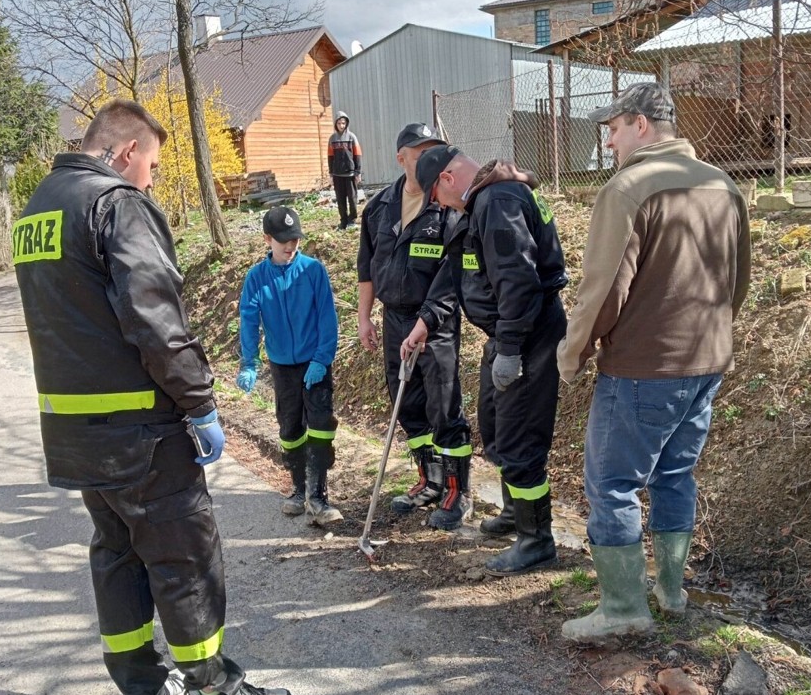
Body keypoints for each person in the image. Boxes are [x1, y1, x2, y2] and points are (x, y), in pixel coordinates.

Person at [13, 99, 293, 695]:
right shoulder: (115, 205)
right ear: (125, 151)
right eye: (154, 164)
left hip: (75, 431)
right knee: (183, 554)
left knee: (116, 555)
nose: (153, 178)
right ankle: (213, 693)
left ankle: (141, 692)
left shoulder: (36, 211)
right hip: (140, 428)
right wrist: (199, 403)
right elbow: (156, 322)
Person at [556, 82, 751, 644]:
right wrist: (713, 336)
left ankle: (621, 608)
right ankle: (671, 590)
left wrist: (573, 354)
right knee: (674, 474)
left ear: (640, 124)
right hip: (707, 360)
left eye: (612, 129)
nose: (609, 142)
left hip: (643, 366)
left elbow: (603, 289)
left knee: (612, 483)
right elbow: (738, 281)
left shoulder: (630, 188)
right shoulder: (723, 184)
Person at [412, 146, 568, 575]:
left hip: (527, 336)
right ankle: (515, 513)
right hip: (506, 335)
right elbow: (464, 272)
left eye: (435, 197)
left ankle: (537, 540)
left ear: (446, 179)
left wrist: (512, 349)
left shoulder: (497, 202)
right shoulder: (486, 200)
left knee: (520, 438)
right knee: (497, 425)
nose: (438, 206)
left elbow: (518, 279)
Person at [357, 123, 472, 529]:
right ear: (400, 157)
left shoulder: (447, 206)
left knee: (444, 405)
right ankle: (430, 480)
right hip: (394, 318)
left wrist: (427, 320)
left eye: (433, 152)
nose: (426, 158)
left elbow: (454, 272)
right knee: (407, 404)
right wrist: (364, 317)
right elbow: (366, 267)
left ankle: (458, 490)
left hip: (435, 320)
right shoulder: (379, 207)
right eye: (419, 152)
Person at [236, 205, 342, 526]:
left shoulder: (313, 271)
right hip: (282, 367)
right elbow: (249, 320)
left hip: (315, 365)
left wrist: (322, 359)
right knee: (290, 429)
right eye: (283, 239)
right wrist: (249, 362)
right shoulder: (256, 278)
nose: (290, 245)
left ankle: (319, 497)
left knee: (321, 426)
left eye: (295, 238)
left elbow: (328, 318)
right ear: (267, 239)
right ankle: (298, 489)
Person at [328, 111, 362, 229]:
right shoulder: (332, 139)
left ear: (346, 123)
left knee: (352, 198)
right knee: (340, 200)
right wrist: (331, 174)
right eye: (339, 123)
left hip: (350, 174)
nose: (341, 125)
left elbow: (357, 155)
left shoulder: (352, 137)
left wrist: (357, 172)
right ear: (336, 124)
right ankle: (343, 221)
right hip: (337, 174)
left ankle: (352, 219)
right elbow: (330, 157)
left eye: (343, 123)